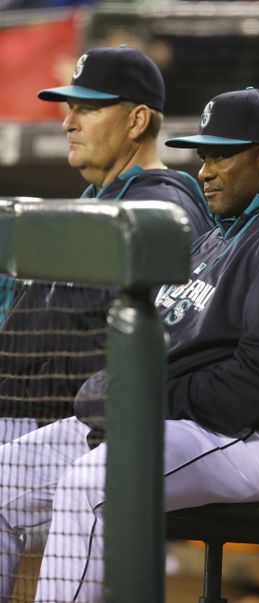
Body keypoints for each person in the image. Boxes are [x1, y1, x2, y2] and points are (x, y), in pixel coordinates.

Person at [0, 87, 259, 603]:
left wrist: (147, 404)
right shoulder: (222, 235)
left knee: (91, 486)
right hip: (181, 425)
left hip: (251, 438)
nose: (205, 171)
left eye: (222, 155)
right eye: (203, 156)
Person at [0, 45, 213, 445]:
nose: (68, 124)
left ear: (137, 121)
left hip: (82, 426)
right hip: (27, 416)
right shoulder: (101, 200)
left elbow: (134, 350)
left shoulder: (162, 211)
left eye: (89, 109)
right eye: (69, 108)